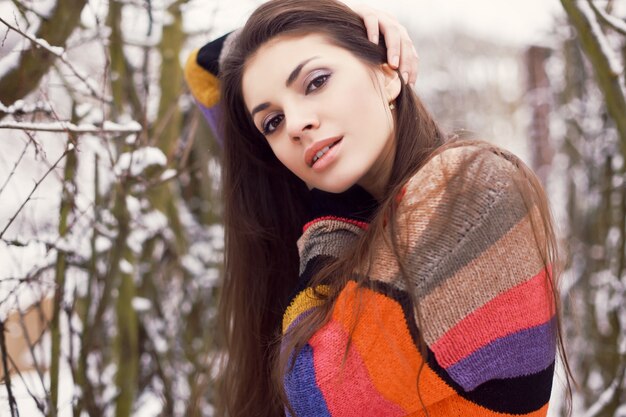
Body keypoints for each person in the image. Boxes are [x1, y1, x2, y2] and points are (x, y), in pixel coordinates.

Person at [184, 1, 574, 416]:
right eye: (273, 122)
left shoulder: (470, 189)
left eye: (316, 82)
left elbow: (316, 395)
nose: (296, 124)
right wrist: (344, 18)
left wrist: (332, 200)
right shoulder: (367, 214)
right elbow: (202, 71)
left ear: (390, 74)